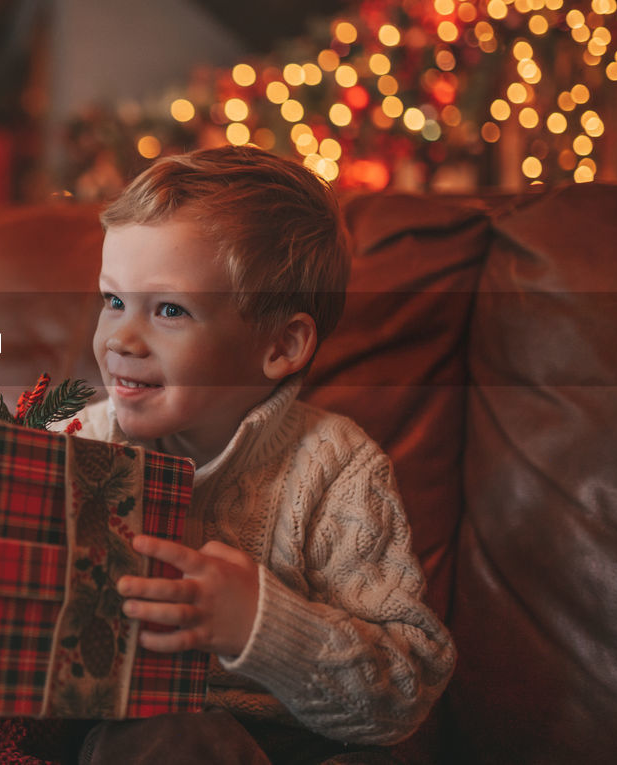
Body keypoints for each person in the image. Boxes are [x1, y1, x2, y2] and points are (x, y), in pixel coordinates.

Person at [69, 145, 456, 764]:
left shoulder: (336, 466)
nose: (119, 338)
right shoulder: (80, 442)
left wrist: (262, 626)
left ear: (281, 345)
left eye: (169, 309)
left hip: (297, 737)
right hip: (140, 731)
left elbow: (405, 690)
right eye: (112, 301)